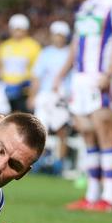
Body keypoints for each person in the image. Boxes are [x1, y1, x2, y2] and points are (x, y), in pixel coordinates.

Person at [56, 0, 112, 212]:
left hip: (101, 76)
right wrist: (62, 74)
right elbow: (76, 43)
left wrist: (110, 73)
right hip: (80, 79)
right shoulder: (86, 6)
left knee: (105, 132)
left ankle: (110, 198)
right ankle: (92, 195)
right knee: (87, 134)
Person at [28, 21, 72, 173]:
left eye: (61, 35)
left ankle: (60, 163)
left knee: (62, 130)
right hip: (45, 95)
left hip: (62, 96)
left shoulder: (70, 53)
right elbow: (37, 77)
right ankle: (36, 162)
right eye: (56, 34)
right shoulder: (45, 53)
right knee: (40, 130)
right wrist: (32, 96)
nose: (58, 38)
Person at [0, 14, 41, 114]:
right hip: (6, 88)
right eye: (15, 29)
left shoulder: (33, 46)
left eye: (20, 29)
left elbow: (37, 72)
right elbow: (0, 67)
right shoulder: (4, 46)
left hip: (24, 89)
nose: (17, 32)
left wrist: (32, 94)